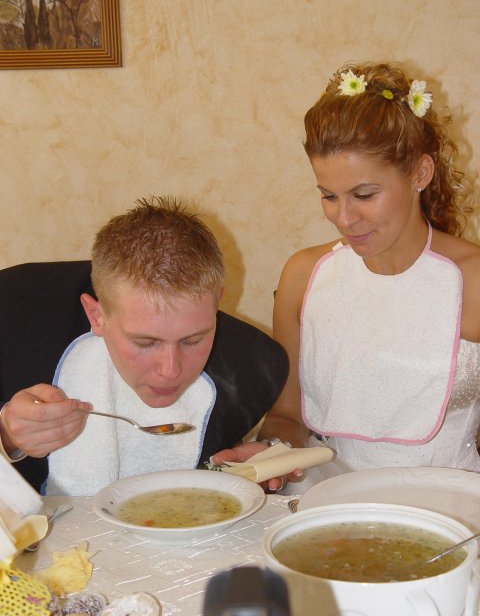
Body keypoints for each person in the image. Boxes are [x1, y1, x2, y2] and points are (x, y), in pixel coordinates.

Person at [214, 62, 480, 485]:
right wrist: (270, 453)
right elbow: (287, 418)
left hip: (448, 505)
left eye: (364, 195)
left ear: (420, 173)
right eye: (328, 196)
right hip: (327, 501)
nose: (344, 218)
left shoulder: (471, 280)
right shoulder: (305, 276)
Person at [0, 196, 288, 495]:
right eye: (145, 342)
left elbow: (215, 458)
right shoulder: (12, 319)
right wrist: (6, 437)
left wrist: (250, 463)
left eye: (193, 340)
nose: (170, 370)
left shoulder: (253, 366)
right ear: (96, 316)